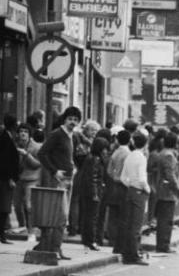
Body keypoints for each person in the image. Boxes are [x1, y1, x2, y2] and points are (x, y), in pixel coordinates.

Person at [36, 106, 82, 257]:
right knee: (58, 215)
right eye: (70, 119)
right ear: (64, 119)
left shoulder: (72, 136)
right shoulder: (57, 134)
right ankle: (52, 248)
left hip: (69, 180)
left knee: (64, 217)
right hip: (58, 181)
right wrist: (54, 171)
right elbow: (42, 153)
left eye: (76, 120)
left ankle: (57, 247)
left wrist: (73, 166)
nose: (72, 122)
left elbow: (70, 156)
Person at [118, 132, 151, 265]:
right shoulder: (141, 158)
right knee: (136, 225)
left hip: (130, 191)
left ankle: (127, 254)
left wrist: (130, 184)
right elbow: (142, 179)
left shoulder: (129, 156)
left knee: (129, 223)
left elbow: (122, 178)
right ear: (145, 144)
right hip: (139, 192)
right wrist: (147, 189)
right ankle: (134, 255)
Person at [77, 137, 109, 251]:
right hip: (93, 193)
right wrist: (95, 194)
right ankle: (91, 241)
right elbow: (93, 178)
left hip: (88, 192)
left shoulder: (91, 158)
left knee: (88, 217)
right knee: (92, 218)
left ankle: (87, 240)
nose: (106, 151)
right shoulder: (96, 160)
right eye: (104, 148)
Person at [14, 123, 42, 243]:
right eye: (21, 131)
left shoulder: (36, 147)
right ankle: (23, 226)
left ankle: (31, 232)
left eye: (25, 131)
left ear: (29, 134)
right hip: (18, 179)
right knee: (16, 205)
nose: (23, 134)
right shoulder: (14, 145)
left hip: (32, 179)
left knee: (29, 205)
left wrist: (26, 155)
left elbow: (37, 164)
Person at [153, 134, 179, 254]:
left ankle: (162, 244)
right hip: (167, 191)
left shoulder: (163, 153)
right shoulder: (169, 155)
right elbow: (170, 174)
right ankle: (164, 245)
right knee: (166, 220)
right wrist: (177, 187)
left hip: (162, 189)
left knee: (163, 219)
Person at [0, 115, 20, 244]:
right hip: (5, 179)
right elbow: (6, 161)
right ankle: (2, 234)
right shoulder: (6, 139)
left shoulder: (6, 137)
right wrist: (10, 178)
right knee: (4, 207)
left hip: (4, 178)